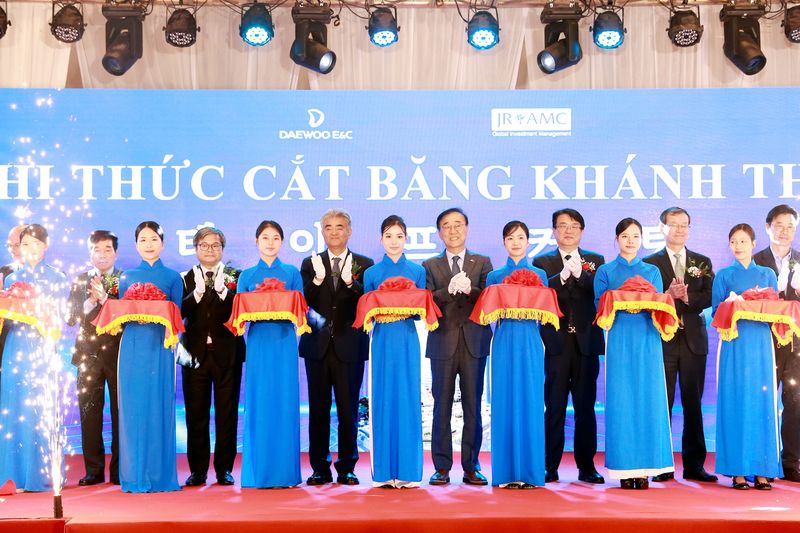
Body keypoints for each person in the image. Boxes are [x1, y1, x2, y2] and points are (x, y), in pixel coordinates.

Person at [593, 218, 673, 490]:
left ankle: (647, 468)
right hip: (620, 339)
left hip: (648, 338)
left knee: (649, 398)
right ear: (617, 239)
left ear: (641, 239)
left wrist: (641, 304)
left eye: (635, 236)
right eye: (625, 236)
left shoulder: (652, 271)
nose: (630, 241)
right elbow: (600, 306)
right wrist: (623, 302)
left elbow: (659, 303)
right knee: (622, 399)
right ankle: (624, 469)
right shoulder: (605, 271)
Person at [299, 209, 373, 486]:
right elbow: (303, 301)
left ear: (349, 231)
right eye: (328, 227)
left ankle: (346, 467)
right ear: (322, 231)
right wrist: (317, 281)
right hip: (317, 345)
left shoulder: (364, 264)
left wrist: (351, 283)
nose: (334, 232)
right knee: (318, 409)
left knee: (348, 410)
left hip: (349, 345)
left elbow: (367, 300)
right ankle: (319, 467)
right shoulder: (310, 263)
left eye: (339, 227)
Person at [643, 207, 717, 483]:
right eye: (674, 224)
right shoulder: (650, 264)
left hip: (693, 341)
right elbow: (647, 298)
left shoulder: (702, 261)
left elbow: (711, 295)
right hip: (663, 339)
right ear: (662, 228)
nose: (680, 229)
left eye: (684, 224)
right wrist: (668, 295)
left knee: (693, 404)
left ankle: (695, 466)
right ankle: (661, 463)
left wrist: (686, 299)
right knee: (662, 402)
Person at [533, 208, 605, 484]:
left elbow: (599, 294)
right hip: (556, 344)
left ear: (582, 231)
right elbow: (541, 294)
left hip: (586, 344)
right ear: (554, 231)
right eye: (562, 225)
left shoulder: (596, 261)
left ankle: (586, 466)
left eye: (574, 225)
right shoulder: (543, 261)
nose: (568, 230)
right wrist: (562, 277)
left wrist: (582, 276)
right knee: (554, 407)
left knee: (586, 408)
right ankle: (549, 465)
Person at [423, 208, 492, 486]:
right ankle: (441, 467)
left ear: (467, 228)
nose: (453, 231)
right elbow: (427, 301)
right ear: (439, 232)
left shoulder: (482, 262)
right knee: (441, 405)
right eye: (446, 226)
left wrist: (469, 290)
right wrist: (448, 290)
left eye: (458, 225)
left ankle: (471, 466)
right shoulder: (430, 265)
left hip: (475, 342)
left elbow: (488, 298)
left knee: (473, 405)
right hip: (443, 341)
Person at [0, 224, 68, 492]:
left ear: (46, 245)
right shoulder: (10, 280)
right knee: (15, 407)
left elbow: (61, 317)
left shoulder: (57, 278)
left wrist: (38, 312)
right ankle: (13, 473)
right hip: (16, 348)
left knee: (41, 408)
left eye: (36, 243)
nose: (30, 249)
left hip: (42, 347)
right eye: (25, 244)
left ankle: (40, 473)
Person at [713, 223, 781, 490]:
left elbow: (775, 310)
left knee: (762, 402)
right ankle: (738, 471)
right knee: (736, 400)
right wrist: (732, 304)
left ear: (753, 243)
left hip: (761, 344)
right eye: (733, 241)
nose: (738, 246)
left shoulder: (767, 274)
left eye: (743, 241)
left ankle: (763, 470)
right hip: (734, 342)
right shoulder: (724, 275)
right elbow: (716, 314)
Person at [117, 221, 183, 493]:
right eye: (143, 239)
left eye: (154, 239)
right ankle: (133, 475)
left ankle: (159, 475)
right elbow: (121, 315)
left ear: (163, 243)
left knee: (158, 405)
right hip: (132, 347)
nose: (148, 244)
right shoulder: (126, 277)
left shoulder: (173, 277)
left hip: (160, 347)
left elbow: (178, 316)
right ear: (136, 245)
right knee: (133, 409)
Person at [237, 220, 302, 488]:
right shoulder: (247, 276)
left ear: (282, 242)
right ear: (256, 241)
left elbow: (301, 309)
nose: (270, 242)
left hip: (284, 341)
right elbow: (239, 314)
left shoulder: (292, 273)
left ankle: (285, 473)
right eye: (265, 237)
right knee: (260, 400)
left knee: (284, 400)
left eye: (276, 238)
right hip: (258, 343)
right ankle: (259, 472)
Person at [363, 215, 426, 488]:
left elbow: (422, 310)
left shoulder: (417, 271)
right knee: (383, 398)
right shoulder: (371, 274)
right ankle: (383, 472)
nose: (394, 241)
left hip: (408, 338)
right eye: (389, 236)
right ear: (381, 239)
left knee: (407, 397)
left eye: (399, 236)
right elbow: (365, 311)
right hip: (381, 340)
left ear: (406, 239)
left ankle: (409, 471)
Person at [487, 220, 549, 489]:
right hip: (503, 339)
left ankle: (531, 472)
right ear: (504, 242)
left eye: (521, 238)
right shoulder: (494, 276)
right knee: (504, 400)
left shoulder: (540, 275)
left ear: (528, 242)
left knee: (531, 401)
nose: (516, 243)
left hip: (531, 339)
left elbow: (546, 312)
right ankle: (506, 473)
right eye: (511, 238)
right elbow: (487, 312)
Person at [180, 227, 244, 487]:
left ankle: (224, 469)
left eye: (215, 245)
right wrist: (195, 294)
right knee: (196, 414)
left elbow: (241, 311)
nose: (209, 250)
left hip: (227, 352)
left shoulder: (235, 276)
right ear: (196, 248)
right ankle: (197, 471)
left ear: (222, 249)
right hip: (193, 354)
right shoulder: (185, 278)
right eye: (204, 245)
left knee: (227, 413)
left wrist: (224, 293)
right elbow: (178, 312)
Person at [67, 230, 123, 486]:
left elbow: (127, 317)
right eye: (96, 250)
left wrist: (106, 299)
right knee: (89, 413)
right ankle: (93, 470)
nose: (102, 255)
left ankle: (119, 469)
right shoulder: (80, 280)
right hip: (87, 356)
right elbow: (70, 318)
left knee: (120, 413)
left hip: (118, 354)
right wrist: (91, 300)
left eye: (107, 249)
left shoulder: (125, 279)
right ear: (90, 253)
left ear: (116, 253)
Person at [752, 204, 800, 482]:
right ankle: (762, 463)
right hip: (764, 342)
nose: (784, 231)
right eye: (779, 225)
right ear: (768, 227)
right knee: (763, 401)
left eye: (790, 226)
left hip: (796, 344)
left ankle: (792, 462)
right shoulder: (755, 261)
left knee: (795, 403)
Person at [0, 224, 24, 369]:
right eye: (9, 245)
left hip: (36, 347)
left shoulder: (49, 276)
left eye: (17, 245)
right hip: (5, 346)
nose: (12, 250)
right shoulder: (3, 272)